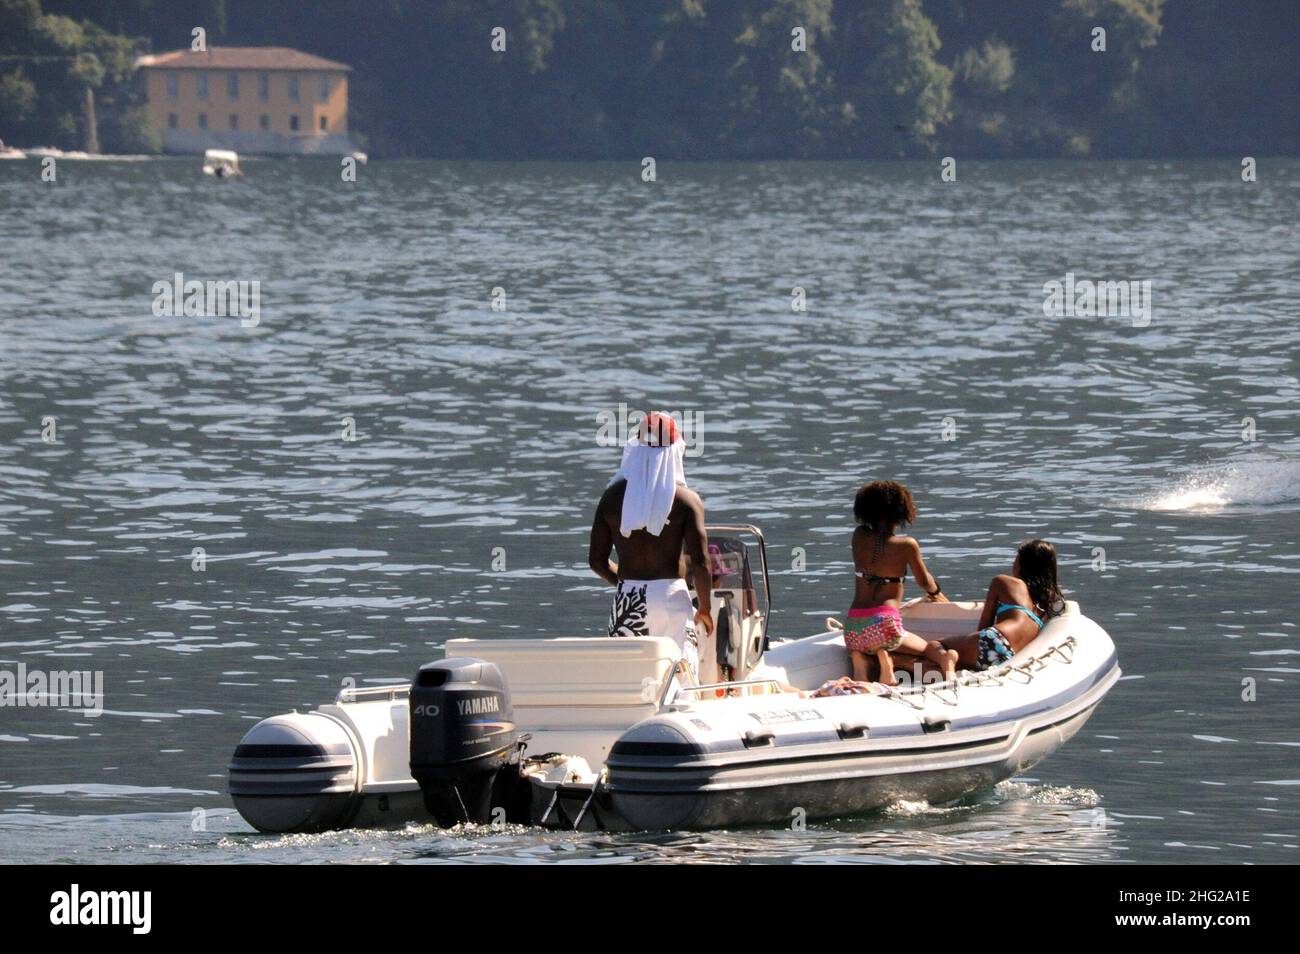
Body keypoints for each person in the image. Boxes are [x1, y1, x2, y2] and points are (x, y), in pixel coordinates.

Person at [588, 412, 714, 682]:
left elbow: (596, 560)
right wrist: (705, 608)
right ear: (675, 451)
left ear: (636, 448)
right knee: (681, 677)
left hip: (628, 599)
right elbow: (701, 563)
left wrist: (627, 585)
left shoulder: (611, 498)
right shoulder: (687, 501)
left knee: (625, 679)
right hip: (671, 598)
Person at [845, 480, 956, 685]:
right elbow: (924, 581)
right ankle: (893, 659)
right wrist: (935, 591)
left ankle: (863, 660)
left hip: (852, 628)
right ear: (901, 511)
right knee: (930, 648)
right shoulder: (906, 545)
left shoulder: (858, 536)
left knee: (872, 645)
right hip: (883, 625)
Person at [943, 539, 1066, 671]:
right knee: (958, 662)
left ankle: (947, 664)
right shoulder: (1052, 600)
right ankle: (948, 667)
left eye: (1016, 559)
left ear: (1021, 564)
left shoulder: (1002, 582)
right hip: (1009, 655)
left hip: (993, 638)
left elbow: (984, 626)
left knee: (936, 645)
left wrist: (970, 645)